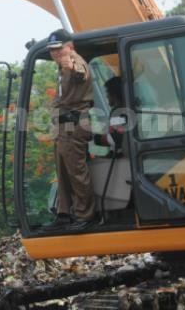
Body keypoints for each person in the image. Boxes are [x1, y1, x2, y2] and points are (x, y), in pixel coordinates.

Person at [43, 28, 95, 231]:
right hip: (64, 127)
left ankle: (85, 215)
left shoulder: (75, 61)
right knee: (63, 172)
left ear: (70, 47)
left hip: (74, 126)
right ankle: (64, 213)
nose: (55, 53)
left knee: (77, 172)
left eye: (58, 49)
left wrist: (71, 66)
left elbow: (80, 72)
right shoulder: (60, 67)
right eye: (51, 50)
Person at [94, 76, 125, 155]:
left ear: (114, 96)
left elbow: (116, 139)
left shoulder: (117, 112)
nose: (107, 96)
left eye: (107, 93)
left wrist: (95, 138)